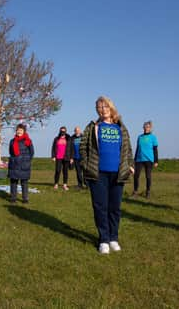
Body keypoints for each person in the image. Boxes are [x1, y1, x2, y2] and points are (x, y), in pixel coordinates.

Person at [80, 96, 134, 254]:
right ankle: (103, 239)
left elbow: (127, 148)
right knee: (100, 207)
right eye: (99, 107)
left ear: (111, 108)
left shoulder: (120, 127)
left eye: (104, 107)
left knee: (115, 208)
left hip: (117, 174)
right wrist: (85, 165)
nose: (102, 110)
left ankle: (113, 238)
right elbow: (83, 147)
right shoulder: (93, 127)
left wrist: (129, 164)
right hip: (98, 174)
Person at [8, 123, 34, 203]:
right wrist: (14, 159)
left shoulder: (28, 141)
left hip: (24, 164)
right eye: (18, 130)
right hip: (14, 164)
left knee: (24, 183)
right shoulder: (12, 141)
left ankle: (25, 199)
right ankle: (13, 198)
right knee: (13, 182)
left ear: (24, 131)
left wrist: (27, 160)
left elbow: (31, 152)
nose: (19, 131)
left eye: (21, 130)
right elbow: (10, 152)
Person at [133, 121, 159, 198]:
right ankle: (135, 192)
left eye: (147, 127)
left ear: (150, 128)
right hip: (139, 159)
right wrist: (135, 159)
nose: (146, 128)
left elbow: (155, 149)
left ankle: (148, 192)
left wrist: (156, 161)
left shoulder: (153, 137)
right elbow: (137, 148)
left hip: (149, 159)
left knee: (148, 176)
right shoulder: (139, 137)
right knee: (136, 176)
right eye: (145, 127)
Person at [51, 126, 72, 190]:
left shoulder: (69, 139)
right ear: (59, 131)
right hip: (58, 157)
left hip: (66, 157)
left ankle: (65, 185)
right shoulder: (56, 138)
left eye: (64, 131)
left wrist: (71, 158)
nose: (62, 132)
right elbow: (53, 148)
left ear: (65, 131)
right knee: (57, 170)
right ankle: (56, 184)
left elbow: (71, 148)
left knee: (65, 171)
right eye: (61, 131)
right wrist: (53, 156)